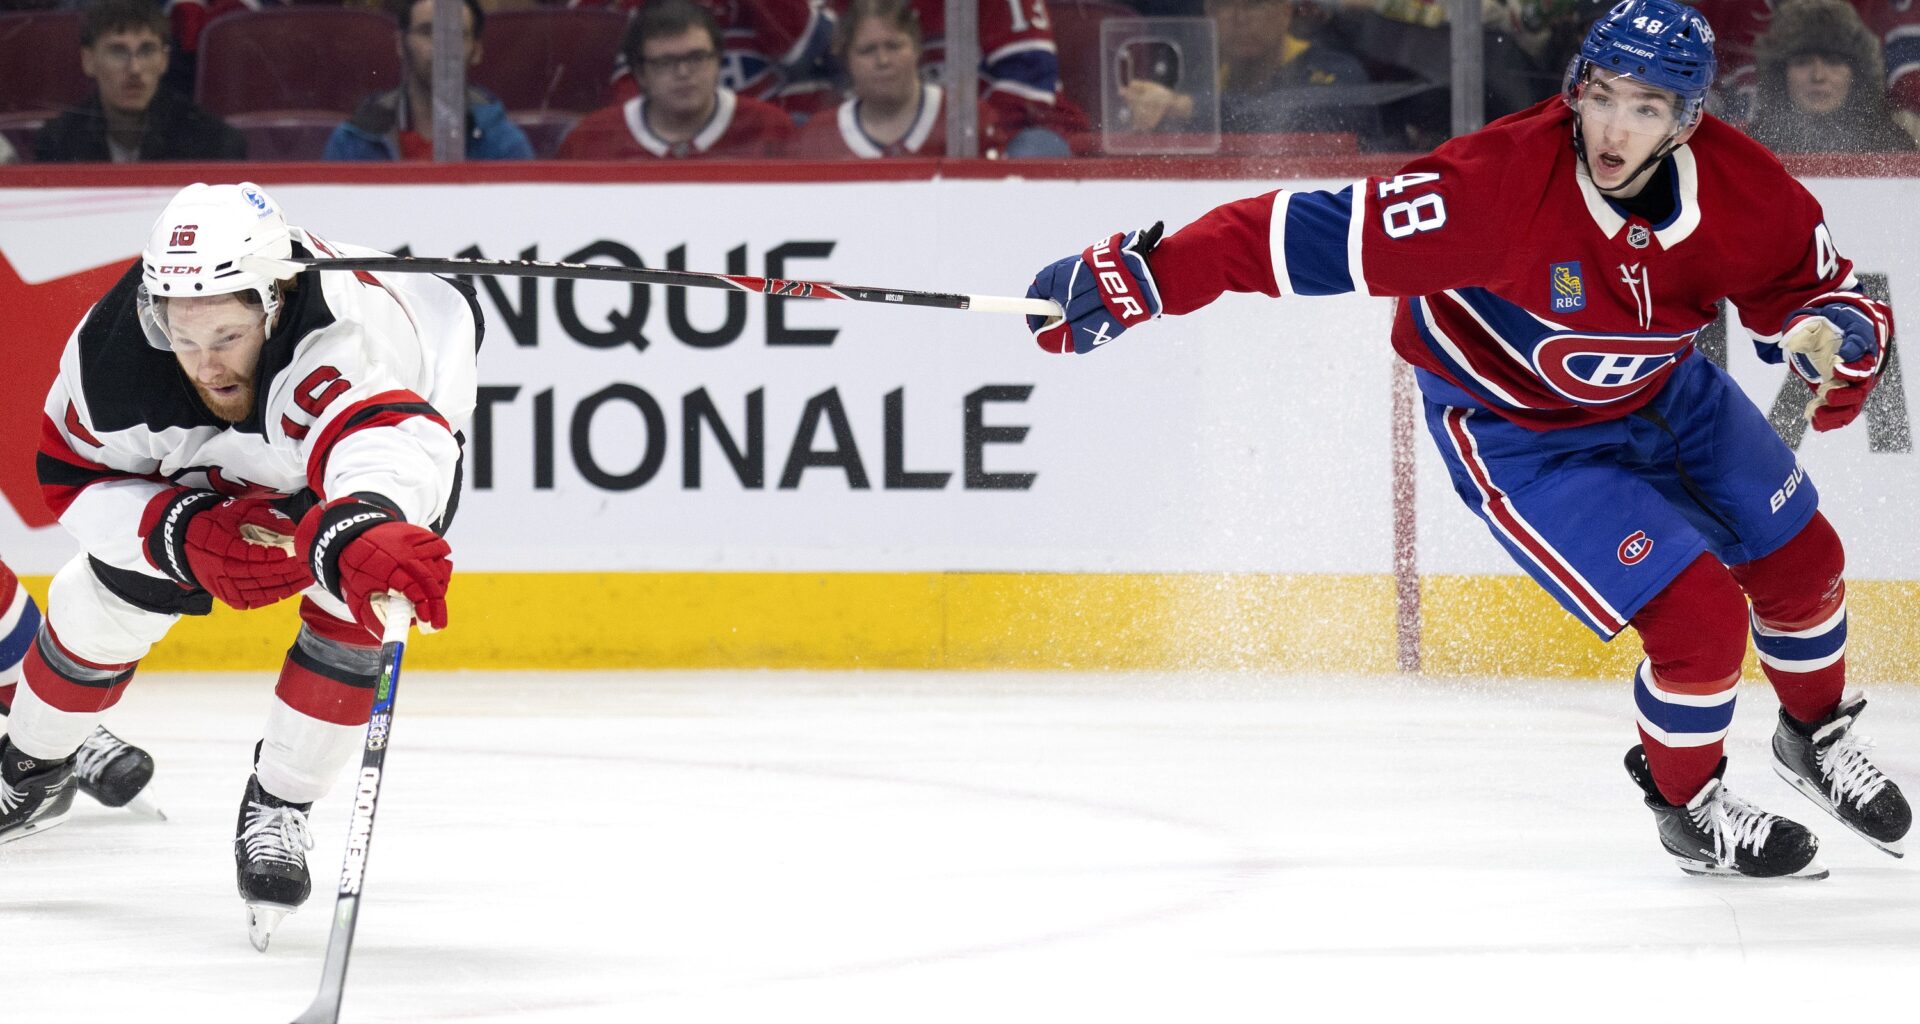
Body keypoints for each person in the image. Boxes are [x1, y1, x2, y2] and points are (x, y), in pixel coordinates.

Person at [1022, 0, 1908, 878]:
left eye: (1645, 108)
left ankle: (1812, 740)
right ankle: (1690, 808)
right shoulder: (1490, 191)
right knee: (1699, 622)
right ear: (1575, 87)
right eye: (1601, 96)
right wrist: (1145, 274)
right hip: (1523, 435)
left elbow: (1817, 289)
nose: (1613, 126)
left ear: (1686, 121)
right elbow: (1294, 235)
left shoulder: (1742, 189)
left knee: (1805, 557)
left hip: (1666, 391)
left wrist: (1838, 333)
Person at [0, 182, 476, 951]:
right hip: (237, 451)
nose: (204, 367)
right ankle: (29, 764)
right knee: (106, 599)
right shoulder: (114, 353)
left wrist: (366, 519)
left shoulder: (342, 340)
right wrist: (177, 531)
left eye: (225, 336)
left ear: (275, 301)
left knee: (354, 601)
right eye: (183, 339)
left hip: (399, 403)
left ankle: (282, 803)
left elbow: (383, 439)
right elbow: (70, 477)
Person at [558, 0, 795, 159]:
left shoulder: (770, 127)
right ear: (640, 73)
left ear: (718, 61)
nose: (683, 72)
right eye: (665, 62)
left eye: (697, 57)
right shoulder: (590, 139)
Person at [1123, 0, 1380, 138]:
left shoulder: (1336, 72)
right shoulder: (1197, 79)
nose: (1240, 17)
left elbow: (1292, 119)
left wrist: (1187, 107)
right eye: (1225, 4)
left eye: (1256, 3)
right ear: (1209, 12)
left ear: (1285, 13)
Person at [33, 0, 246, 163]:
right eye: (118, 51)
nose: (134, 69)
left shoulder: (213, 143)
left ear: (164, 60)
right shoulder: (56, 143)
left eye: (147, 50)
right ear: (88, 60)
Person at [323, 0, 535, 161]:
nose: (442, 46)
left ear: (477, 49)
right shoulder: (353, 140)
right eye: (427, 31)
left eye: (456, 34)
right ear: (400, 43)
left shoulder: (505, 144)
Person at [1743, 0, 1916, 154]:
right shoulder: (1751, 149)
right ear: (1780, 75)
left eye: (1834, 62)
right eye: (1802, 62)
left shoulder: (1892, 146)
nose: (1818, 76)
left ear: (1857, 74)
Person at [787, 0, 950, 157]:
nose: (883, 60)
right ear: (847, 61)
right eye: (867, 50)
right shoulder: (817, 139)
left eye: (894, 46)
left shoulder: (964, 118)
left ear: (917, 48)